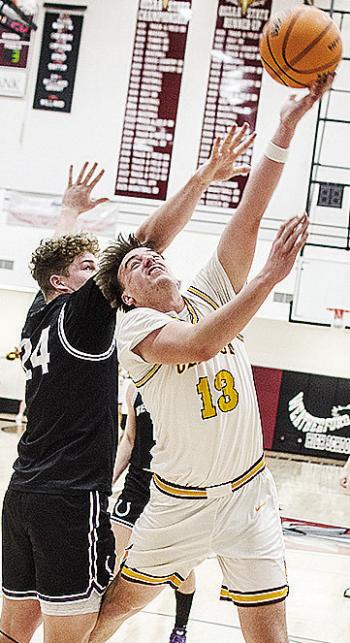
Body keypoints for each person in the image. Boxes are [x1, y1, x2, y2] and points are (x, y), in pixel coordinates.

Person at [87, 80, 332, 643]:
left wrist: (285, 128)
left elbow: (248, 216)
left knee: (272, 636)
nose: (148, 259)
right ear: (127, 296)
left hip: (249, 495)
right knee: (115, 612)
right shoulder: (136, 329)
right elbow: (198, 344)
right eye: (133, 267)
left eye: (153, 254)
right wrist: (269, 277)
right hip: (180, 503)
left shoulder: (208, 294)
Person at [0, 133, 252, 643]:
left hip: (22, 493)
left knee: (11, 632)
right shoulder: (80, 316)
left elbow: (54, 262)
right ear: (69, 286)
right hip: (71, 501)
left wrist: (69, 212)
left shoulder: (38, 315)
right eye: (90, 271)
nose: (102, 277)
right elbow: (145, 244)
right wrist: (201, 178)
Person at [111, 382, 195, 643]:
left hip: (172, 492)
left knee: (180, 572)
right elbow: (129, 439)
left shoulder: (185, 387)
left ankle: (180, 627)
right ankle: (98, 628)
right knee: (111, 560)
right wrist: (108, 481)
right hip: (136, 488)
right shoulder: (134, 390)